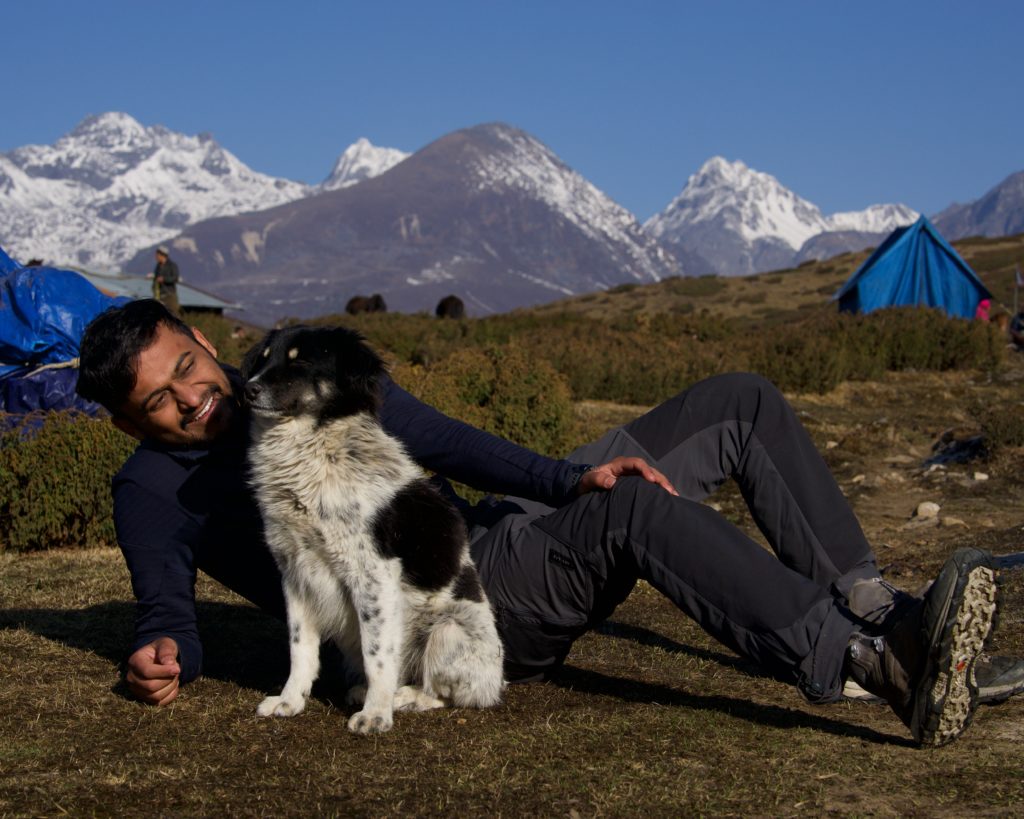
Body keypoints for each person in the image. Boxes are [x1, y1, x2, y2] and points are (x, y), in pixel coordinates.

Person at [75, 299, 1017, 746]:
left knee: (740, 400)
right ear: (129, 420)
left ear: (201, 342)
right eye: (159, 402)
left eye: (186, 371)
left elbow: (446, 438)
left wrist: (571, 476)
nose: (190, 400)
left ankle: (883, 610)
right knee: (634, 509)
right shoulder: (149, 493)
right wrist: (163, 650)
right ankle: (873, 666)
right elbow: (166, 605)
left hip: (488, 526)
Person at [150, 246, 181, 317]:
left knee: (174, 316)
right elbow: (155, 279)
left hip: (170, 295)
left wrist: (164, 279)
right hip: (160, 296)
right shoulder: (158, 266)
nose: (156, 257)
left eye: (157, 255)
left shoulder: (172, 265)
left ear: (162, 255)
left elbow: (175, 278)